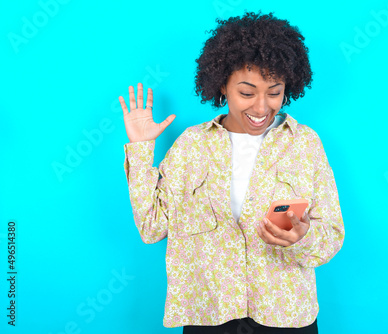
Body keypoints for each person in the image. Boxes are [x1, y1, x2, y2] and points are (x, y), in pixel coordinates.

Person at [118, 11, 344, 334]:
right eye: (247, 93)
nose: (262, 107)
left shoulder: (305, 144)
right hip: (209, 314)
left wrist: (301, 237)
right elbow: (151, 227)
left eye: (274, 92)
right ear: (223, 84)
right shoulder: (191, 146)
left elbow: (332, 232)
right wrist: (140, 149)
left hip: (286, 316)